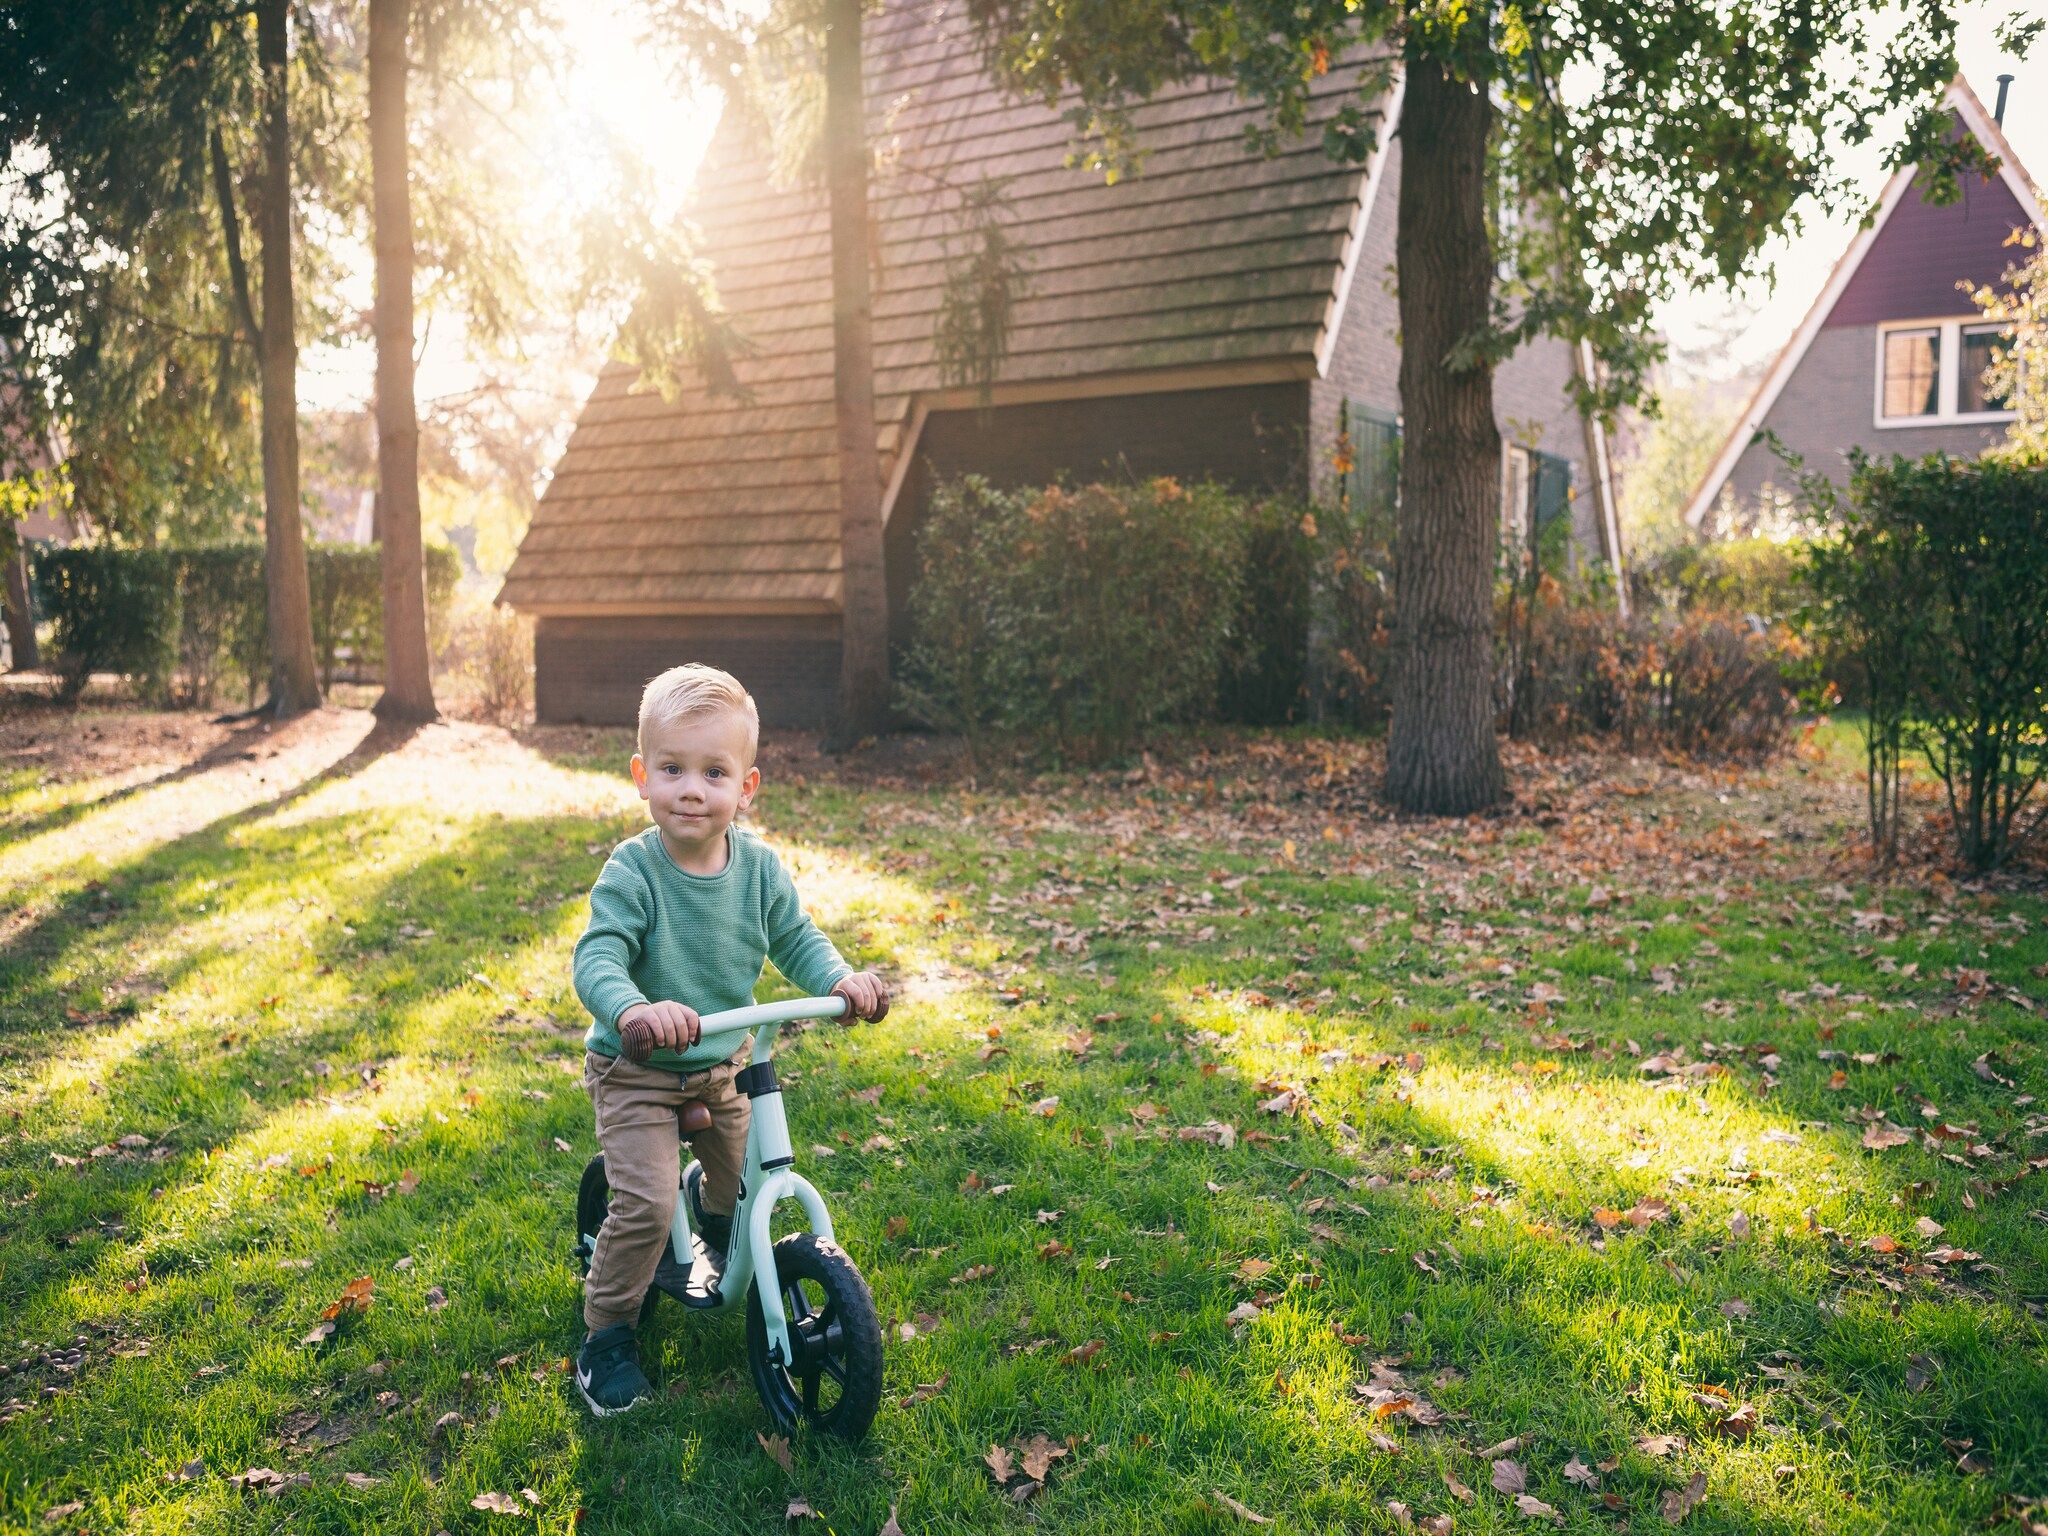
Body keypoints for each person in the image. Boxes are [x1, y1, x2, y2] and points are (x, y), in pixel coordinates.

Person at [570, 663, 889, 1416]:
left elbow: (798, 938)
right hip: (639, 1066)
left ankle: (716, 1235)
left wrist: (841, 981)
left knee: (741, 1188)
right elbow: (598, 957)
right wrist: (634, 1011)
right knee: (646, 1204)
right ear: (643, 777)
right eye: (673, 769)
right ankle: (607, 1333)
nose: (691, 789)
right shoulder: (635, 870)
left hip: (723, 1060)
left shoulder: (760, 871)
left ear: (745, 787)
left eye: (714, 772)